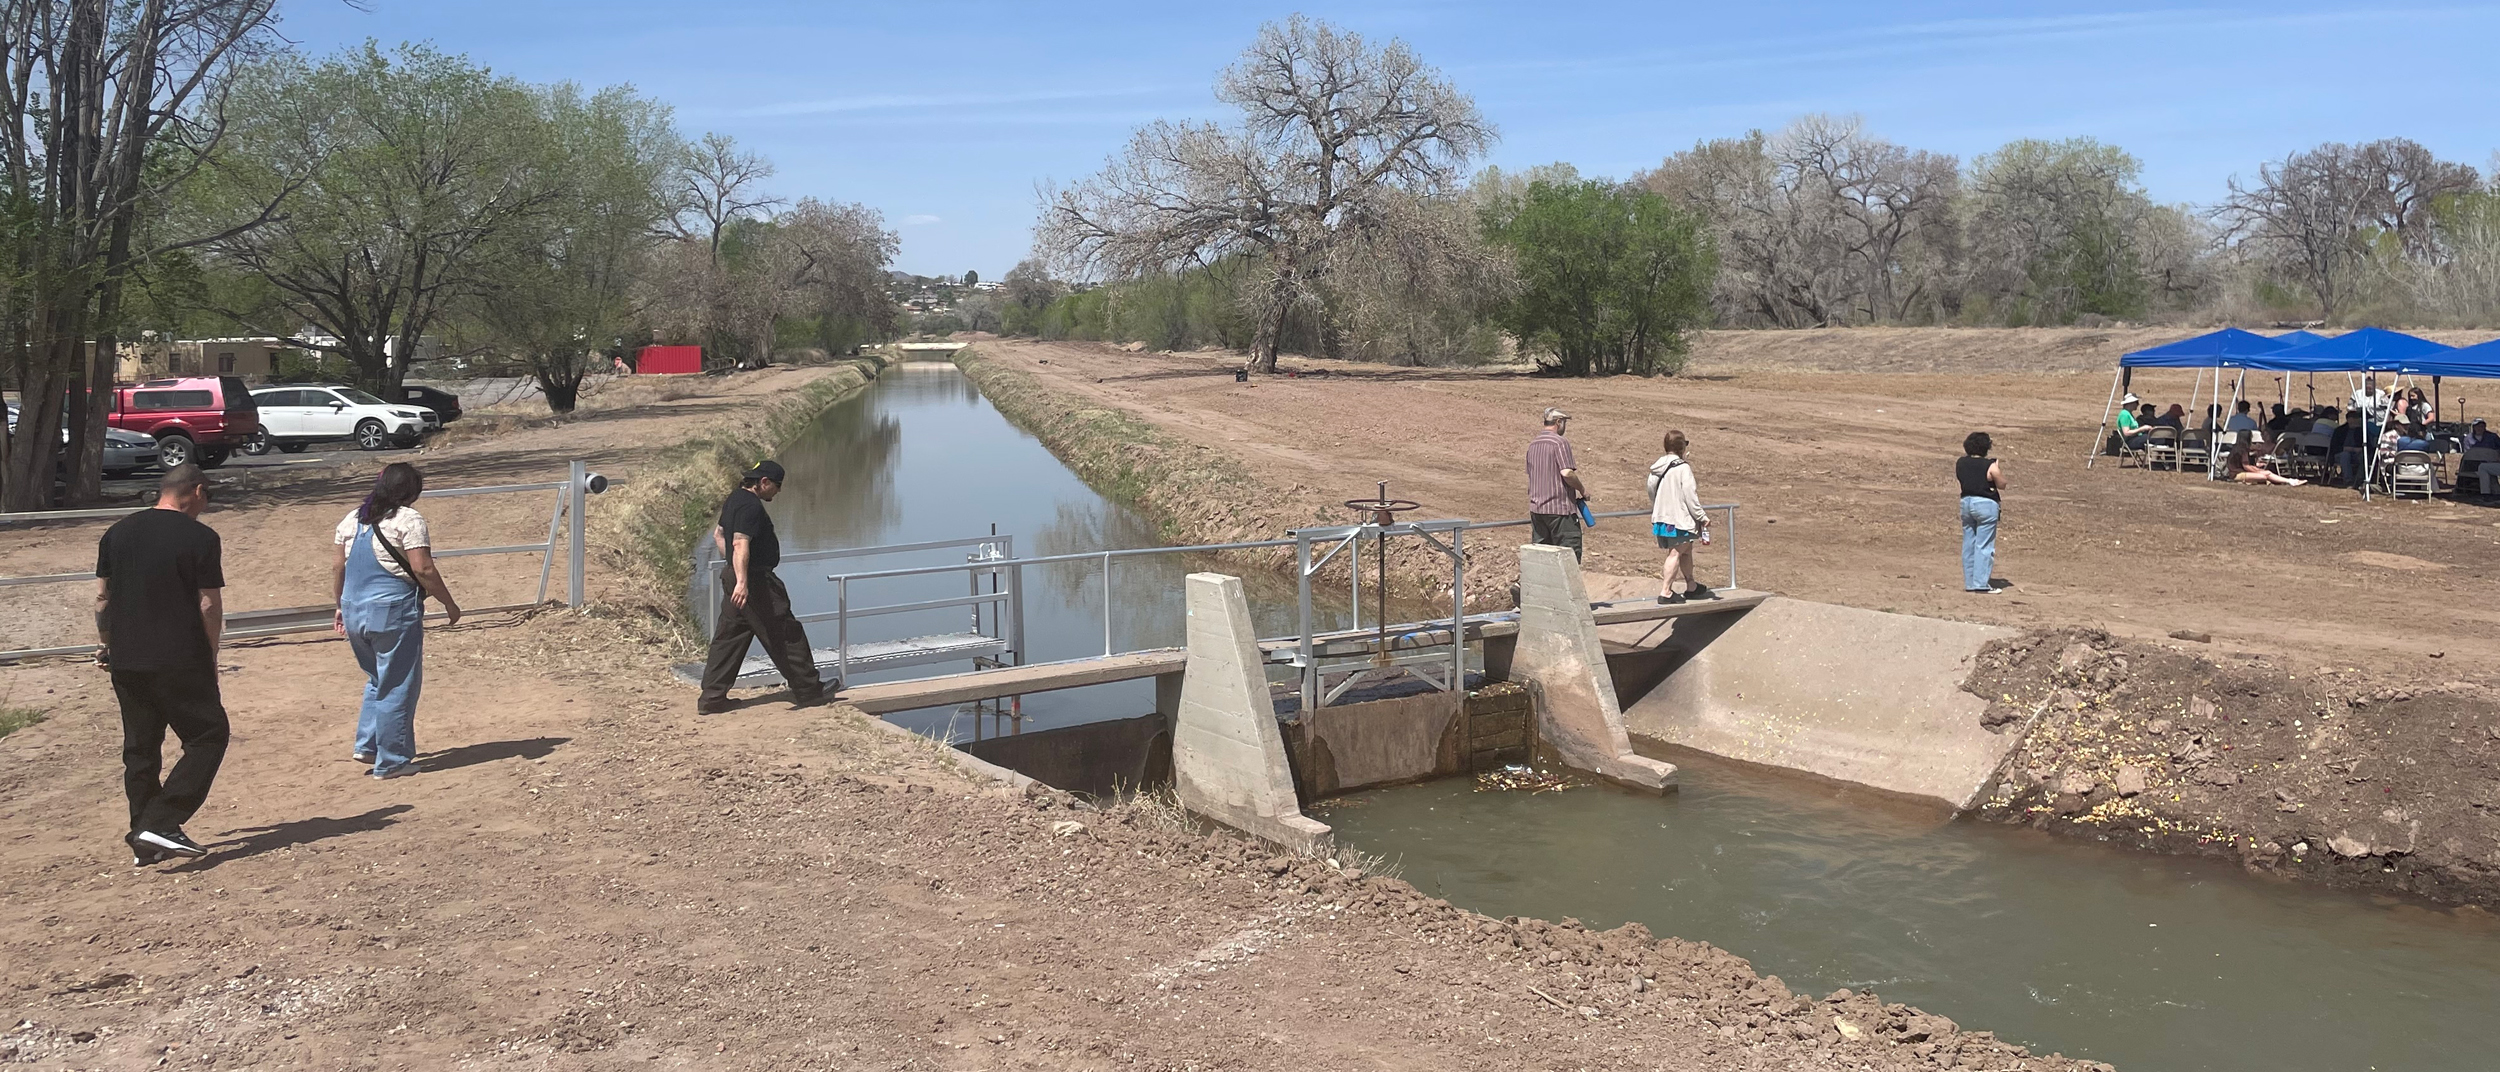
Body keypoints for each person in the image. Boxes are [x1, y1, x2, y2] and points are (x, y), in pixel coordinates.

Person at [96, 463, 228, 864]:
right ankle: (162, 822)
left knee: (140, 748)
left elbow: (103, 600)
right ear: (198, 491)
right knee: (208, 735)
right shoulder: (201, 537)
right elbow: (207, 603)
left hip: (127, 657)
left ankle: (144, 837)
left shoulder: (116, 533)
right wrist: (211, 653)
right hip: (178, 655)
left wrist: (107, 645)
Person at [333, 463, 460, 779]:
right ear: (412, 492)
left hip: (352, 609)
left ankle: (368, 744)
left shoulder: (352, 520)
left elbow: (338, 568)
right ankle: (392, 760)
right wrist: (449, 603)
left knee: (377, 678)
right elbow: (424, 569)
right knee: (398, 683)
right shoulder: (408, 520)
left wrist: (338, 606)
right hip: (391, 611)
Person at [698, 460, 828, 714]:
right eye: (777, 486)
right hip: (755, 582)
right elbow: (739, 543)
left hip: (734, 576)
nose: (778, 492)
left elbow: (718, 534)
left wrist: (732, 573)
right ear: (764, 482)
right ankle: (809, 691)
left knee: (729, 638)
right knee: (785, 633)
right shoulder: (751, 507)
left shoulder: (734, 498)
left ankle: (712, 698)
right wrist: (743, 581)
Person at [1644, 430, 1713, 604]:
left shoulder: (1657, 468)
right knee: (1675, 553)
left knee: (1685, 551)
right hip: (1679, 519)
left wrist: (1661, 507)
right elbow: (1691, 496)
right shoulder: (1683, 468)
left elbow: (1652, 490)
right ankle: (1666, 591)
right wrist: (1702, 516)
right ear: (1682, 447)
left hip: (1663, 518)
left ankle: (1691, 585)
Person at [1525, 408, 1587, 560]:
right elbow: (1567, 473)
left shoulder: (1533, 444)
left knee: (1543, 558)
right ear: (1559, 422)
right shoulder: (1559, 442)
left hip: (1537, 510)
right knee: (1568, 557)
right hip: (1559, 510)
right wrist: (1582, 489)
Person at [1956, 433, 2005, 595]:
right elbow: (2001, 483)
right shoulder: (1990, 465)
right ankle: (1981, 583)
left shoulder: (1961, 463)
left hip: (1966, 502)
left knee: (1969, 543)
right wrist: (1997, 467)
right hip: (1985, 504)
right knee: (1984, 545)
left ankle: (1970, 582)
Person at [2224, 444, 2305, 486]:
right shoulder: (2243, 450)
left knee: (2267, 473)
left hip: (2240, 472)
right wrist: (2258, 471)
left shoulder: (2237, 449)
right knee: (2264, 476)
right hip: (2237, 474)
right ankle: (2290, 481)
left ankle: (2291, 481)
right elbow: (2246, 466)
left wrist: (2257, 467)